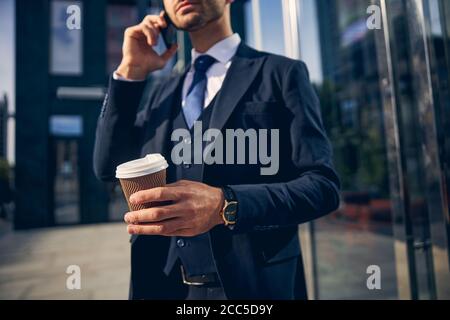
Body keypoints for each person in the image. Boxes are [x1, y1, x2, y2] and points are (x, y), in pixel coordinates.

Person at [94, 0, 340, 300]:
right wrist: (130, 72)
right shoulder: (162, 91)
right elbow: (108, 167)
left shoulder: (282, 73)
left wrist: (227, 204)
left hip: (253, 289)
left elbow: (322, 187)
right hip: (163, 285)